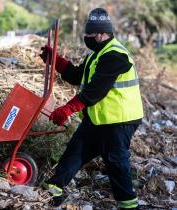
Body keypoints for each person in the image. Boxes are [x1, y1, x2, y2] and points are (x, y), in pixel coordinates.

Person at [39, 8, 143, 209]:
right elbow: (78, 76)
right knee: (75, 152)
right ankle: (53, 190)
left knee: (116, 165)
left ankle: (129, 206)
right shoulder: (97, 53)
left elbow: (95, 91)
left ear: (102, 34)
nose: (86, 38)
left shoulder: (115, 56)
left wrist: (68, 109)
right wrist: (56, 61)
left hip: (119, 122)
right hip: (98, 119)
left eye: (90, 35)